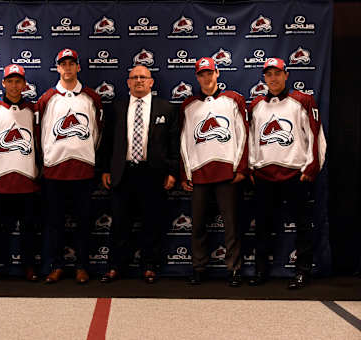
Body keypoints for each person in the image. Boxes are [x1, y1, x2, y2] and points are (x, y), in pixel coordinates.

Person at [248, 57, 326, 289]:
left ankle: (302, 272)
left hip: (294, 175)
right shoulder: (256, 105)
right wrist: (252, 166)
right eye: (268, 74)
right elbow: (251, 140)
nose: (273, 78)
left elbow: (316, 135)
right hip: (263, 176)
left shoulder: (302, 101)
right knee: (262, 226)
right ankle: (261, 271)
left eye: (277, 73)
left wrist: (311, 168)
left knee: (302, 225)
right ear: (264, 77)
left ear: (286, 75)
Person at [100, 65, 179, 284]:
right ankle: (115, 266)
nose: (139, 81)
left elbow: (173, 144)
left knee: (151, 223)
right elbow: (107, 143)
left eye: (143, 77)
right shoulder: (116, 108)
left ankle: (149, 266)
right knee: (119, 223)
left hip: (153, 173)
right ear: (128, 82)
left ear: (151, 82)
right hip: (122, 172)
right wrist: (106, 169)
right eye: (134, 77)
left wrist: (172, 171)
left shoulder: (167, 108)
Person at [180, 57, 249, 287]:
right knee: (198, 224)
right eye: (201, 74)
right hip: (199, 173)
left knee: (231, 224)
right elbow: (184, 141)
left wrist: (240, 167)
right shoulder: (189, 105)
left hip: (226, 172)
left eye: (210, 73)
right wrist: (186, 172)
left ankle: (234, 269)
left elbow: (243, 135)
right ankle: (199, 267)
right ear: (197, 77)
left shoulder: (233, 99)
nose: (206, 78)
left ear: (217, 73)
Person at [36, 48, 103, 284]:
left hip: (83, 170)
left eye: (71, 63)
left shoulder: (91, 98)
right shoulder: (47, 98)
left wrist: (83, 154)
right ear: (57, 68)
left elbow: (96, 134)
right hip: (54, 171)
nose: (67, 68)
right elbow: (41, 134)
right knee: (54, 223)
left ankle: (82, 266)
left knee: (83, 223)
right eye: (63, 64)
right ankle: (56, 266)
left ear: (78, 67)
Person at [0, 64, 40, 284]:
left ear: (24, 84)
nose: (14, 85)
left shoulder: (34, 110)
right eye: (10, 81)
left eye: (18, 81)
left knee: (29, 228)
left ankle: (29, 266)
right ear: (3, 83)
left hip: (26, 180)